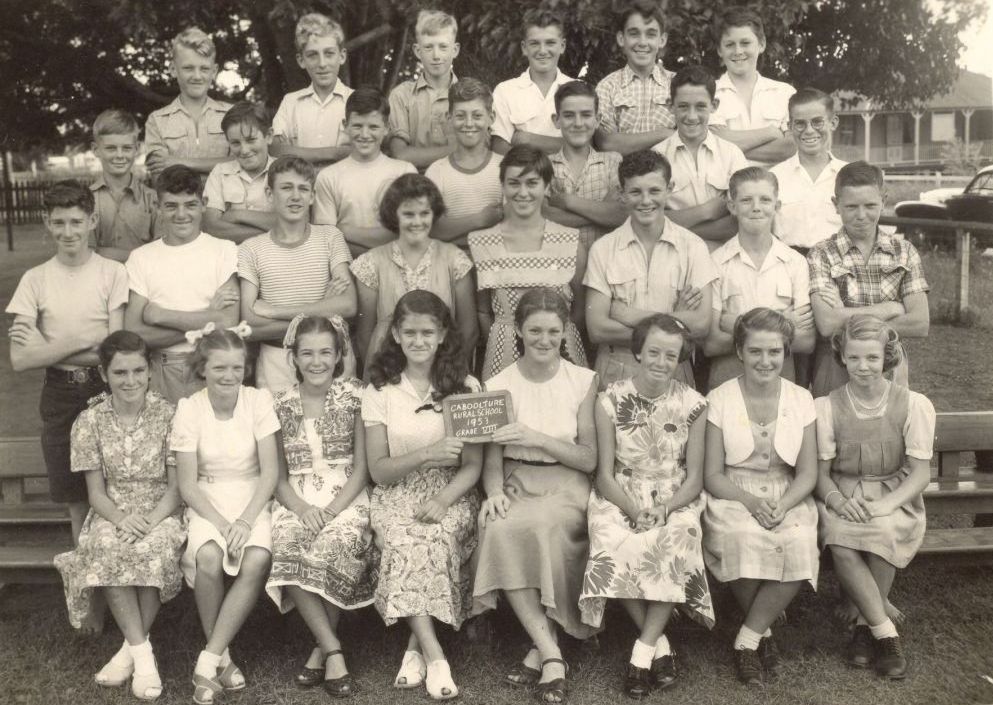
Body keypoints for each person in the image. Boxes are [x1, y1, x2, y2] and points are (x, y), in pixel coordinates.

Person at [472, 289, 598, 705]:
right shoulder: (499, 384)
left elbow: (588, 458)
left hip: (566, 481)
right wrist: (492, 491)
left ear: (565, 333)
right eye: (535, 331)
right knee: (500, 527)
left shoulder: (581, 380)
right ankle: (550, 651)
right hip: (516, 477)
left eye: (553, 331)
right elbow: (492, 455)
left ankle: (543, 648)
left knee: (549, 526)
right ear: (519, 332)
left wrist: (536, 437)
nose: (544, 340)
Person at [579, 313, 714, 699]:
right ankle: (661, 647)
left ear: (680, 359)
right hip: (621, 492)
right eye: (653, 352)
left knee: (679, 535)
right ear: (638, 352)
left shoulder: (694, 404)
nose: (660, 362)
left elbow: (695, 478)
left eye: (670, 356)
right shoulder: (610, 400)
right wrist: (633, 509)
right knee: (612, 539)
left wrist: (667, 507)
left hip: (674, 495)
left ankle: (641, 655)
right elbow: (604, 475)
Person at [361, 290, 482, 700]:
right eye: (409, 332)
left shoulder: (465, 386)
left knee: (435, 537)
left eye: (427, 332)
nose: (418, 341)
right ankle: (435, 657)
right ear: (395, 334)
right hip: (396, 491)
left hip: (451, 490)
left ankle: (414, 648)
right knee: (404, 539)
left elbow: (473, 466)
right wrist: (427, 453)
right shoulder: (379, 390)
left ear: (443, 333)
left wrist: (445, 499)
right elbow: (378, 469)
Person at [53, 331, 184, 701]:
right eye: (121, 373)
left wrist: (150, 520)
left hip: (162, 510)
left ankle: (130, 652)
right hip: (112, 511)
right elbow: (95, 493)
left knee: (154, 550)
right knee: (106, 548)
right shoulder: (89, 421)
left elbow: (176, 488)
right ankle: (144, 658)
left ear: (149, 371)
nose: (131, 381)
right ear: (104, 373)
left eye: (138, 371)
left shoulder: (170, 416)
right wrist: (122, 518)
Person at [7, 181, 128, 550]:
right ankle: (85, 588)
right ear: (47, 222)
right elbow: (21, 359)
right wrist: (80, 342)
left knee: (117, 490)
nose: (68, 232)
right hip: (60, 393)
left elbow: (114, 352)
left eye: (76, 222)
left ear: (92, 221)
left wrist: (50, 346)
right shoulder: (35, 279)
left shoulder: (112, 272)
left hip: (103, 389)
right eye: (59, 223)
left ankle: (119, 578)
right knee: (76, 500)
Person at [702, 308, 819, 686]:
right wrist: (751, 504)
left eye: (774, 352)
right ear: (739, 351)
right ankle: (764, 630)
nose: (765, 361)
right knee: (738, 537)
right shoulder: (719, 398)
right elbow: (713, 474)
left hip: (788, 492)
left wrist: (783, 505)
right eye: (755, 351)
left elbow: (808, 473)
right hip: (735, 492)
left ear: (786, 353)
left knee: (800, 541)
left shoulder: (802, 399)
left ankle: (747, 639)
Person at [814, 315, 935, 680]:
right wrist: (835, 501)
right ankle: (885, 632)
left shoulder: (913, 404)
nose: (862, 367)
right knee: (840, 540)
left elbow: (920, 473)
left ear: (887, 358)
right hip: (843, 490)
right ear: (842, 358)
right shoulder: (826, 406)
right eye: (854, 358)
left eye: (872, 358)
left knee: (882, 530)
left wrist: (886, 503)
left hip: (893, 491)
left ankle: (866, 628)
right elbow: (820, 475)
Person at [267, 315, 377, 698]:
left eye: (325, 353)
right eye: (307, 353)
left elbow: (363, 469)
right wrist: (301, 509)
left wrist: (330, 511)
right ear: (293, 357)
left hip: (345, 495)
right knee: (288, 545)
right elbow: (277, 477)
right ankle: (333, 650)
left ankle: (320, 649)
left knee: (335, 544)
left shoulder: (357, 396)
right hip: (295, 499)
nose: (317, 362)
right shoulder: (277, 403)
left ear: (339, 354)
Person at [172, 324, 280, 704]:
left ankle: (207, 660)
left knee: (256, 558)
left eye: (237, 367)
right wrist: (221, 523)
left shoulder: (258, 401)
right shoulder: (189, 409)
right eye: (219, 368)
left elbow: (270, 473)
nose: (229, 376)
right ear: (202, 367)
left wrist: (246, 521)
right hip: (208, 499)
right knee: (208, 556)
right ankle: (224, 656)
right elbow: (187, 484)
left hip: (253, 498)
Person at [584, 150, 717, 389]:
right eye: (635, 191)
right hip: (617, 369)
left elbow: (700, 324)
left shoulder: (693, 247)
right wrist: (673, 322)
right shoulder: (602, 249)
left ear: (670, 188)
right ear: (621, 194)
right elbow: (597, 329)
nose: (646, 201)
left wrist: (628, 314)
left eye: (654, 190)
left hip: (674, 370)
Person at [807, 161, 930, 398]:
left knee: (890, 431)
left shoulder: (904, 251)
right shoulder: (821, 253)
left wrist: (847, 317)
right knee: (833, 428)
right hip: (837, 364)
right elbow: (827, 324)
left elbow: (919, 322)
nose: (861, 215)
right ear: (836, 205)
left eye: (870, 205)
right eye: (851, 206)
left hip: (890, 363)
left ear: (884, 200)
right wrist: (890, 308)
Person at [238, 155, 356, 394]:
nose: (295, 196)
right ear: (270, 194)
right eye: (286, 188)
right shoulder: (250, 248)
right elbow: (250, 325)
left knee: (334, 430)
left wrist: (275, 312)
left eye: (303, 189)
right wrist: (323, 310)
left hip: (328, 357)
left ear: (312, 196)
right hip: (276, 360)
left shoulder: (330, 237)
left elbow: (348, 305)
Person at [468, 145, 587, 380]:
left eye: (532, 183)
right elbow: (483, 310)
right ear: (502, 186)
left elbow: (580, 310)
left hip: (559, 350)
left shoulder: (570, 241)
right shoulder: (482, 241)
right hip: (503, 355)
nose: (523, 192)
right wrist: (502, 339)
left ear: (546, 186)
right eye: (514, 183)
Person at [124, 165, 239, 404]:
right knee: (167, 439)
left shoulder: (224, 250)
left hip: (212, 365)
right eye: (171, 206)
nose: (181, 214)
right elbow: (135, 333)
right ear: (157, 207)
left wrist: (160, 315)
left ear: (204, 203)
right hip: (161, 368)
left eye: (190, 204)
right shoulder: (141, 257)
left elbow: (228, 322)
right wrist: (208, 318)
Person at [351, 174, 476, 373]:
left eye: (424, 213)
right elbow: (366, 334)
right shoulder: (371, 263)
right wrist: (385, 376)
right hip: (390, 374)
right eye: (408, 214)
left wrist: (448, 372)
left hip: (444, 372)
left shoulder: (454, 259)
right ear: (394, 215)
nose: (417, 222)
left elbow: (468, 330)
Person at [704, 167, 815, 390]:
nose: (756, 208)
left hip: (781, 384)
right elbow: (711, 344)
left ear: (777, 205)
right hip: (727, 381)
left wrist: (738, 324)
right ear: (732, 206)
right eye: (746, 200)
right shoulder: (714, 263)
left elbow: (806, 342)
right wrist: (782, 322)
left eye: (765, 199)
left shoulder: (795, 263)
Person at [313, 87, 417, 256]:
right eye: (357, 126)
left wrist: (343, 230)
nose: (364, 134)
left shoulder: (404, 172)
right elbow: (327, 241)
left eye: (373, 127)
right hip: (348, 271)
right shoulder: (328, 177)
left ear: (386, 128)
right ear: (345, 126)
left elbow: (409, 233)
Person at [652, 65, 747, 248]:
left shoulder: (731, 155)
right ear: (670, 106)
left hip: (724, 255)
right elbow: (650, 220)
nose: (692, 116)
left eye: (701, 106)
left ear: (714, 105)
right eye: (683, 106)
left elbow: (740, 222)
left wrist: (672, 223)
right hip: (673, 254)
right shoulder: (656, 157)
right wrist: (706, 211)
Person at [545, 80, 627, 252]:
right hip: (559, 267)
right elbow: (543, 217)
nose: (578, 123)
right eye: (568, 115)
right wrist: (602, 211)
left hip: (607, 266)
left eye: (586, 115)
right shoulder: (544, 165)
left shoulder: (613, 162)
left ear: (598, 120)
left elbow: (621, 214)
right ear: (556, 120)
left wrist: (568, 201)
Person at [709, 7, 796, 167]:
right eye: (729, 45)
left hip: (776, 187)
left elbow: (791, 147)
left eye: (745, 43)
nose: (738, 51)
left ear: (761, 44)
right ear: (720, 50)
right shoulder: (708, 93)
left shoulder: (785, 93)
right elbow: (711, 144)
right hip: (727, 186)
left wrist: (727, 146)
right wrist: (771, 132)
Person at [424, 78, 505, 248]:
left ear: (491, 118)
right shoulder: (436, 171)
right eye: (460, 116)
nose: (469, 124)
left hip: (499, 265)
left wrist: (454, 235)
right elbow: (433, 230)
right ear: (449, 118)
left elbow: (511, 230)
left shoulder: (505, 168)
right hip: (451, 264)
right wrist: (480, 219)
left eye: (477, 116)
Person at [144, 27, 230, 181]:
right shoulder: (157, 121)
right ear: (173, 69)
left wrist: (178, 162)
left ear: (214, 71)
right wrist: (216, 166)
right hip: (179, 205)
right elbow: (161, 180)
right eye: (188, 68)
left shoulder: (231, 115)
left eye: (204, 68)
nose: (197, 76)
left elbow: (241, 164)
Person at [769, 88, 846, 255]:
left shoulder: (849, 175)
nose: (809, 130)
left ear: (833, 123)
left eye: (817, 121)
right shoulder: (774, 177)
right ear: (789, 127)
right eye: (800, 123)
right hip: (789, 266)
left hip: (840, 266)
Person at [594, 0, 676, 156]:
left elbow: (689, 138)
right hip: (621, 178)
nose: (642, 42)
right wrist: (665, 134)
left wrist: (625, 141)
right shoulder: (607, 87)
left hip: (671, 177)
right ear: (621, 39)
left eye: (651, 34)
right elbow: (606, 143)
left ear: (662, 40)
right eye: (634, 34)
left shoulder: (676, 83)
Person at [270, 13, 353, 165]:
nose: (322, 63)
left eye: (329, 54)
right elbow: (276, 150)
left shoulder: (356, 100)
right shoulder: (291, 102)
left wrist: (297, 153)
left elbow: (363, 151)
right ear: (301, 60)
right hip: (301, 186)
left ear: (342, 56)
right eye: (312, 55)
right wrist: (336, 153)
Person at [491, 9, 573, 155]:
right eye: (534, 43)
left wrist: (525, 139)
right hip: (525, 176)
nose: (542, 51)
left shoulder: (577, 88)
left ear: (562, 46)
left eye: (550, 43)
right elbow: (499, 148)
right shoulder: (505, 91)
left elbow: (586, 145)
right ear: (524, 48)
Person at [388, 10, 460, 169]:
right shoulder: (401, 95)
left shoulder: (468, 95)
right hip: (414, 185)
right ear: (417, 51)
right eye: (428, 47)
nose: (436, 55)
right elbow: (400, 155)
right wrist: (456, 151)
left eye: (443, 47)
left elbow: (478, 153)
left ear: (454, 50)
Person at [202, 101, 277, 243]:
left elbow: (294, 223)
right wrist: (273, 230)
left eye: (251, 140)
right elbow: (211, 228)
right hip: (230, 259)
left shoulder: (285, 171)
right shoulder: (220, 173)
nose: (244, 150)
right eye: (235, 143)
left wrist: (237, 214)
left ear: (269, 136)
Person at [88, 109, 158, 262]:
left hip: (142, 283)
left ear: (137, 149)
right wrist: (141, 256)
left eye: (126, 148)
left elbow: (160, 255)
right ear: (95, 150)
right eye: (111, 148)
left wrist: (101, 252)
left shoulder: (153, 198)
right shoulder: (85, 200)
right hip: (99, 282)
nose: (119, 155)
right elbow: (84, 254)